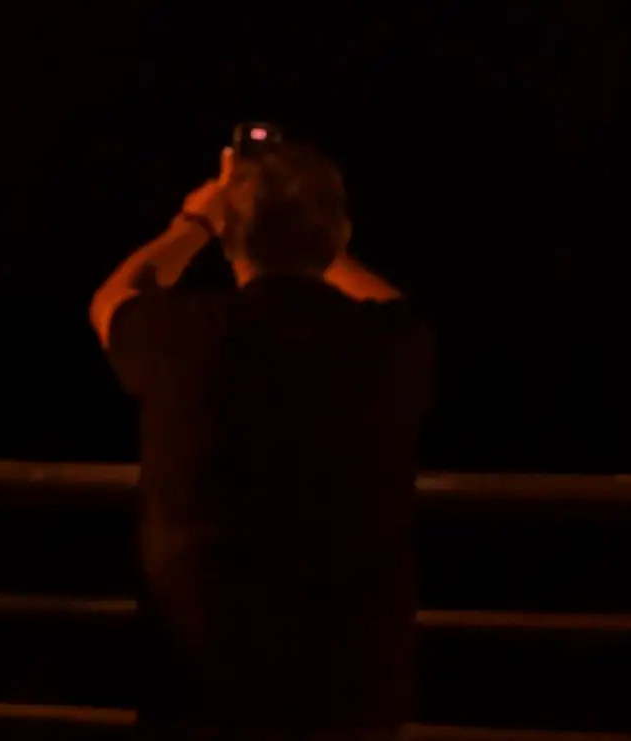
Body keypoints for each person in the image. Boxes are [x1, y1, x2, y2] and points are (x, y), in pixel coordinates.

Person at [89, 141, 434, 740]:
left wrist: (198, 219)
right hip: (350, 686)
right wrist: (314, 235)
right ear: (339, 233)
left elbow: (116, 298)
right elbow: (388, 301)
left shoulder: (184, 339)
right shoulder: (389, 346)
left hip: (204, 678)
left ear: (231, 241)